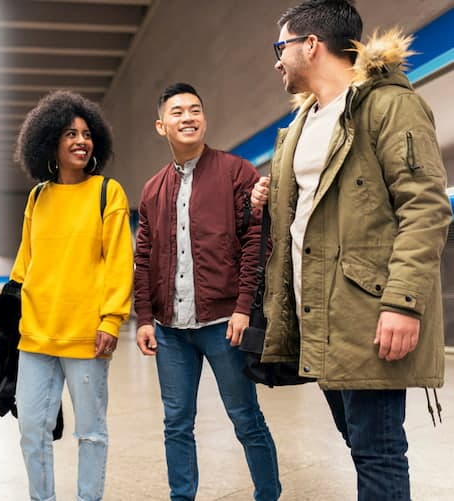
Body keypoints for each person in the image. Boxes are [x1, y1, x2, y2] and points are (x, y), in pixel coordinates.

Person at [250, 1, 451, 499]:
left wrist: (402, 304)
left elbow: (425, 209)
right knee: (360, 445)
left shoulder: (385, 105)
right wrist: (269, 191)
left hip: (369, 313)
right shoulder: (301, 126)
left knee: (379, 451)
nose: (277, 61)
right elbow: (318, 211)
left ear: (311, 45)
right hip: (320, 315)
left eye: (282, 47)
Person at [134, 82, 281, 501]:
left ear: (204, 119)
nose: (188, 117)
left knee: (245, 418)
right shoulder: (151, 189)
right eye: (177, 112)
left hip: (223, 324)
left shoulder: (236, 172)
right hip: (170, 329)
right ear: (162, 126)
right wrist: (145, 318)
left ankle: (267, 495)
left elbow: (257, 240)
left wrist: (243, 308)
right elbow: (143, 259)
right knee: (176, 423)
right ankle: (182, 497)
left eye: (195, 110)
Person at [10, 90, 134, 501]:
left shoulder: (107, 192)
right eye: (69, 134)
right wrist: (13, 312)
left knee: (91, 433)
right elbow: (24, 266)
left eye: (86, 134)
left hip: (87, 336)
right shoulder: (37, 197)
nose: (81, 141)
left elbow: (118, 261)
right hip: (36, 338)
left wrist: (111, 319)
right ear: (50, 143)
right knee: (32, 430)